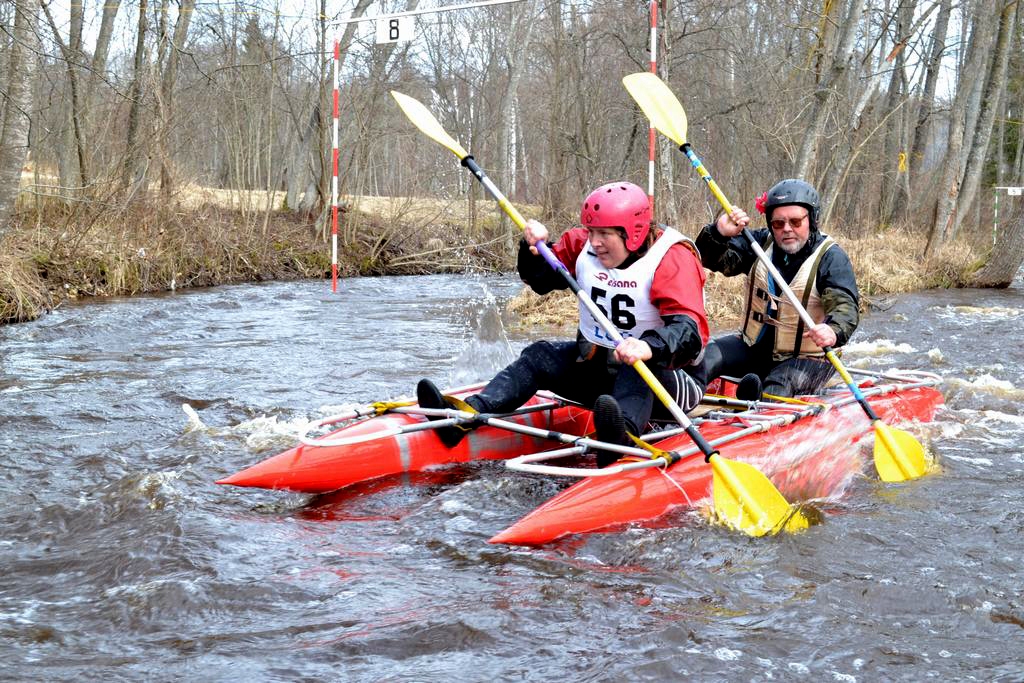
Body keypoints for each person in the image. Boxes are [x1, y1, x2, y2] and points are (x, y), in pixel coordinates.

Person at [417, 181, 709, 466]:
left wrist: (647, 346)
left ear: (633, 234)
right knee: (539, 355)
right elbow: (540, 280)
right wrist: (532, 249)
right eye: (591, 231)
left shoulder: (673, 258)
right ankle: (465, 416)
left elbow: (688, 333)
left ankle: (620, 440)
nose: (595, 242)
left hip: (669, 382)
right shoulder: (582, 245)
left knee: (635, 371)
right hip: (600, 371)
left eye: (604, 234)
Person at [695, 178, 859, 399]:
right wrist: (718, 233)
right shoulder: (760, 244)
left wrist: (833, 330)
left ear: (812, 219)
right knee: (705, 357)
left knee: (777, 387)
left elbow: (845, 307)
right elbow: (710, 259)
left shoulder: (831, 258)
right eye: (779, 223)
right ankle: (673, 411)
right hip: (754, 348)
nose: (787, 229)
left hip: (808, 361)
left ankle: (761, 406)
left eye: (795, 222)